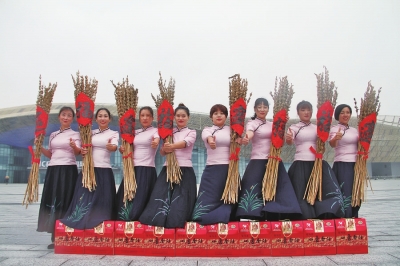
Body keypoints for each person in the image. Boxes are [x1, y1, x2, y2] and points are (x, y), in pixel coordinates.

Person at [236, 98, 301, 220]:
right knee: (255, 189)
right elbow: (249, 132)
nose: (262, 109)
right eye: (259, 107)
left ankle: (274, 213)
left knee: (278, 188)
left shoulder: (272, 124)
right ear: (255, 109)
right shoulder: (252, 122)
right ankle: (256, 215)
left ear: (268, 109)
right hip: (258, 161)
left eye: (265, 107)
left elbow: (280, 139)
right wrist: (246, 138)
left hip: (274, 160)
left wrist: (282, 125)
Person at [139, 103, 197, 228]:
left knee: (181, 198)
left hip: (185, 169)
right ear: (174, 117)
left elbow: (186, 143)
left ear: (188, 117)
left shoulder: (191, 132)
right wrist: (165, 149)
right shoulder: (168, 132)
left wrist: (172, 146)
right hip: (167, 168)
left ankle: (176, 224)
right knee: (160, 195)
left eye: (183, 116)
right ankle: (157, 223)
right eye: (178, 116)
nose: (180, 118)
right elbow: (162, 152)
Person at [60, 108, 119, 229]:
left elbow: (114, 146)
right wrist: (83, 150)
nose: (103, 118)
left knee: (103, 199)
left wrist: (111, 146)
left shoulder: (113, 133)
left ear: (110, 119)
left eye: (105, 116)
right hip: (88, 170)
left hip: (104, 170)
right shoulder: (90, 132)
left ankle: (102, 225)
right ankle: (80, 220)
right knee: (84, 198)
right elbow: (81, 150)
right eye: (100, 116)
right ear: (96, 119)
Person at [286, 100, 345, 219]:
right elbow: (289, 141)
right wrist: (289, 139)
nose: (306, 112)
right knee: (301, 192)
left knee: (324, 190)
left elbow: (329, 141)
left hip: (318, 163)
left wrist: (336, 138)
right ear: (298, 113)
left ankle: (324, 214)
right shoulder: (294, 128)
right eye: (303, 110)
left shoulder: (318, 127)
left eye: (308, 110)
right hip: (300, 164)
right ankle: (304, 217)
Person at [37, 106, 81, 249]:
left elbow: (78, 152)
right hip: (53, 169)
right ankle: (54, 236)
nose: (66, 117)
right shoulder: (53, 135)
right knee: (53, 200)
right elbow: (51, 154)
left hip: (68, 170)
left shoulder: (75, 134)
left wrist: (74, 146)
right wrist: (39, 148)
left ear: (72, 119)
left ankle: (67, 234)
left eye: (69, 115)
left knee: (66, 199)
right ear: (59, 117)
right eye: (64, 114)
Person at [191, 104, 234, 225]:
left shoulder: (231, 130)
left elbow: (238, 141)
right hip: (212, 168)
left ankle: (227, 219)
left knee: (227, 197)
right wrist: (211, 141)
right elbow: (207, 137)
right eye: (215, 113)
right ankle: (205, 220)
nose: (218, 115)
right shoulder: (207, 129)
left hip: (229, 169)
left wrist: (243, 140)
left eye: (221, 113)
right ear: (211, 117)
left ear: (226, 116)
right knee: (209, 196)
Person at [116, 106, 160, 221]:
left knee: (142, 196)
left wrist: (155, 142)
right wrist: (123, 149)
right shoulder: (134, 132)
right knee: (128, 195)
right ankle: (124, 218)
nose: (145, 118)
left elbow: (157, 139)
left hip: (147, 169)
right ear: (139, 118)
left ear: (152, 118)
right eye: (142, 115)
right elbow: (129, 147)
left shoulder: (155, 131)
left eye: (148, 116)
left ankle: (139, 219)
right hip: (132, 169)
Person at [329, 104, 359, 218]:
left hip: (356, 165)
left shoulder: (354, 130)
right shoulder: (335, 129)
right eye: (342, 112)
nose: (345, 115)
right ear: (337, 115)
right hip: (343, 164)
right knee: (345, 193)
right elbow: (332, 144)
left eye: (347, 112)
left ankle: (354, 216)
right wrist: (336, 138)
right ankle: (345, 219)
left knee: (356, 192)